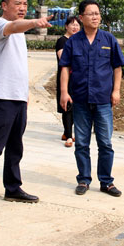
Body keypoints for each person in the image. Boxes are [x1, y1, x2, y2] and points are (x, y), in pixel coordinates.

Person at [0, 0, 53, 219]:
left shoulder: (20, 33)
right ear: (4, 5)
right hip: (0, 99)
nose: (22, 8)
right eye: (17, 3)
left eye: (25, 4)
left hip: (17, 99)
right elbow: (13, 26)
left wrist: (24, 95)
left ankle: (12, 188)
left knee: (15, 148)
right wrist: (35, 22)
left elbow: (17, 65)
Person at [59, 0, 124, 197]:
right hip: (80, 100)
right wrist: (64, 92)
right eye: (91, 14)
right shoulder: (73, 42)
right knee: (81, 143)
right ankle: (83, 180)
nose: (95, 17)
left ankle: (106, 182)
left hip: (103, 100)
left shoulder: (108, 39)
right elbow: (65, 67)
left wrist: (116, 90)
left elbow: (117, 67)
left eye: (97, 13)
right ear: (81, 17)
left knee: (105, 143)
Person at [54, 16, 81, 148]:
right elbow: (64, 58)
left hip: (78, 78)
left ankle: (66, 132)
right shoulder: (62, 41)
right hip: (66, 78)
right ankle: (69, 136)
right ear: (66, 26)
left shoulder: (79, 41)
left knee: (76, 106)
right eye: (72, 25)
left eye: (77, 25)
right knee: (67, 106)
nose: (75, 27)